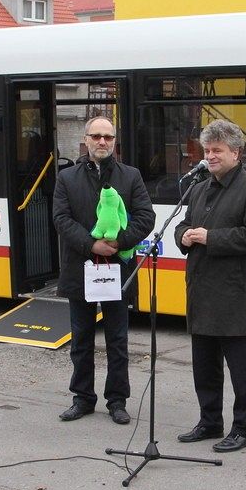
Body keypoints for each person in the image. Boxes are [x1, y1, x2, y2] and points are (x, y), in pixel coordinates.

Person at [174, 120, 246, 452]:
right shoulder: (200, 188)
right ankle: (209, 421)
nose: (210, 156)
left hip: (235, 296)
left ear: (235, 152)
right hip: (201, 293)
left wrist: (209, 237)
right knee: (205, 367)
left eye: (217, 150)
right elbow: (184, 223)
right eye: (207, 150)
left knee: (242, 372)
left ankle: (243, 429)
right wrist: (183, 236)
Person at [53, 116, 155, 425]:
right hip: (80, 268)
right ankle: (82, 398)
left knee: (117, 340)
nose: (102, 142)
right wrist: (91, 244)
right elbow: (61, 218)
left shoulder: (131, 176)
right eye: (96, 136)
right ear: (85, 140)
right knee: (82, 339)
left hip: (117, 270)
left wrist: (120, 241)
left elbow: (145, 216)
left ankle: (117, 400)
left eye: (108, 137)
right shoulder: (66, 178)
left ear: (114, 141)